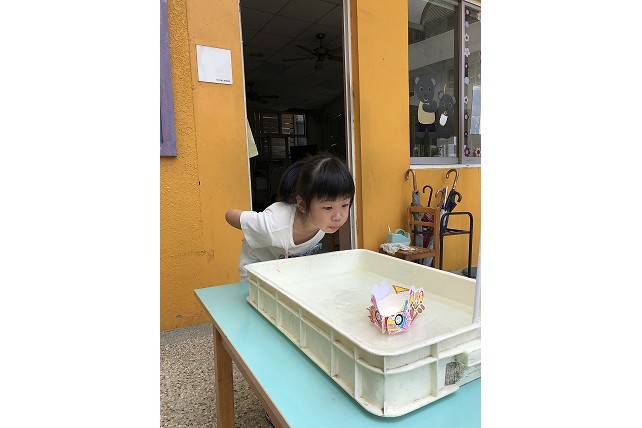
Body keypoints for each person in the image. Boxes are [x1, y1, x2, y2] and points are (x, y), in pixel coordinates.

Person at [225, 153, 355, 281]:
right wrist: (253, 228)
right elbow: (229, 215)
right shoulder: (274, 225)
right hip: (256, 275)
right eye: (328, 208)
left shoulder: (322, 223)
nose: (338, 216)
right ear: (302, 204)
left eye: (344, 205)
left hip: (285, 273)